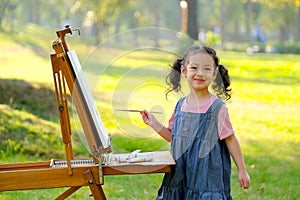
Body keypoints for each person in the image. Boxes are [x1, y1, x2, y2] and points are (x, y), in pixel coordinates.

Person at [140, 45, 250, 199]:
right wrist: (154, 123)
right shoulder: (180, 105)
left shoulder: (217, 108)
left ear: (215, 73)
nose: (200, 73)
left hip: (206, 182)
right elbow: (174, 137)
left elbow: (230, 139)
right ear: (184, 71)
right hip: (179, 178)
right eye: (194, 67)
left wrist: (242, 170)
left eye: (206, 68)